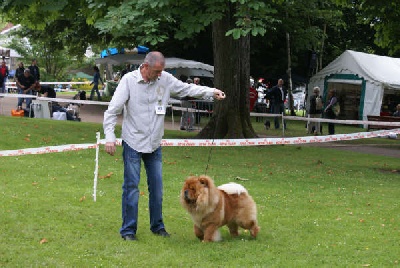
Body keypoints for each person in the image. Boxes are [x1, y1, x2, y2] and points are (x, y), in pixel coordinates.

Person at [103, 51, 226, 241]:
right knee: (131, 188)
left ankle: (157, 226)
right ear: (145, 67)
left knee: (157, 189)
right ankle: (128, 231)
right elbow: (112, 111)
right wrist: (109, 137)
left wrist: (211, 92)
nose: (160, 75)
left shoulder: (165, 79)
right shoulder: (128, 81)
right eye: (157, 71)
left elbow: (187, 89)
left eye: (162, 71)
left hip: (154, 144)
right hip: (133, 142)